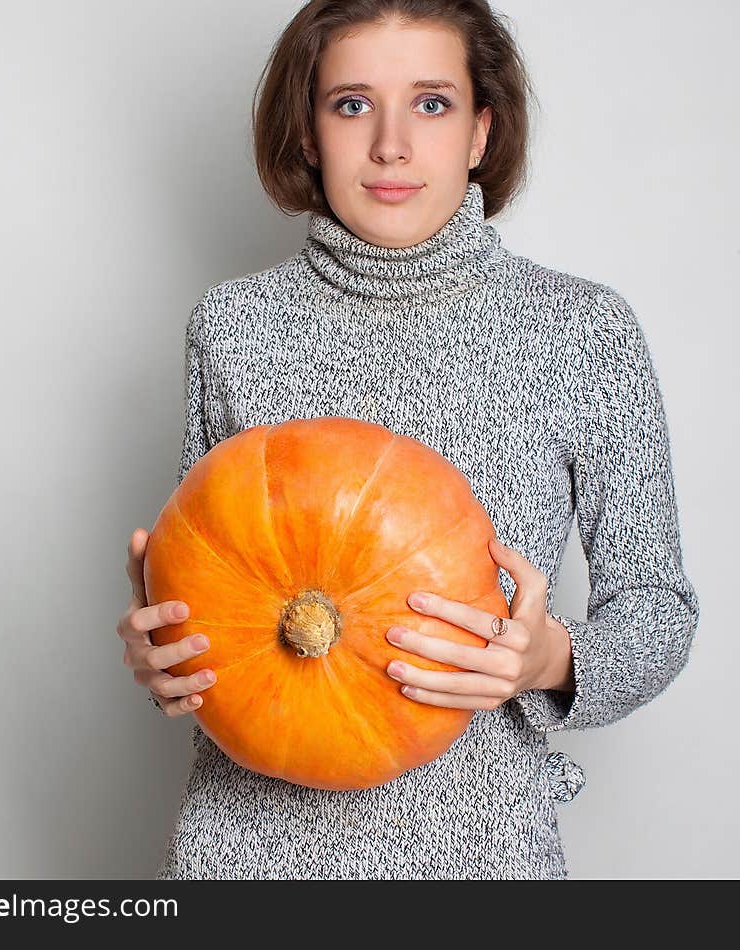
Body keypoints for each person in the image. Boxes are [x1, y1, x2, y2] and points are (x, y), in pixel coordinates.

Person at [115, 0, 700, 880]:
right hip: (245, 859)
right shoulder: (232, 326)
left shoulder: (584, 331)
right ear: (307, 134)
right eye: (352, 104)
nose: (391, 144)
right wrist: (167, 652)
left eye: (432, 103)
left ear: (480, 133)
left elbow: (659, 609)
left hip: (485, 856)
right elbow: (219, 581)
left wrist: (550, 660)